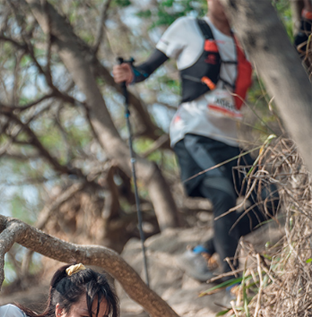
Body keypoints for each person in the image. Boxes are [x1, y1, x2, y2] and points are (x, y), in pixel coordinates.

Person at [113, 0, 279, 288]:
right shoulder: (188, 28)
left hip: (229, 139)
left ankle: (202, 250)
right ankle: (232, 285)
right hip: (192, 133)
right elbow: (145, 69)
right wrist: (130, 72)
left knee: (270, 197)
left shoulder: (245, 38)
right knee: (223, 195)